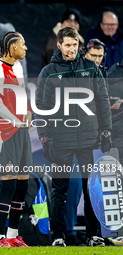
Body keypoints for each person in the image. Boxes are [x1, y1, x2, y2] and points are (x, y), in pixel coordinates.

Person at [36, 27, 112, 247]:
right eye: (67, 45)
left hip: (88, 141)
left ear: (79, 46)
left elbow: (103, 102)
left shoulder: (91, 68)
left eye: (75, 45)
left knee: (91, 189)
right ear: (59, 45)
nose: (71, 49)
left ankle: (93, 235)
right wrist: (44, 138)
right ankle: (58, 237)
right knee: (60, 190)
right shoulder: (48, 72)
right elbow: (41, 108)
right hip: (59, 142)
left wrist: (106, 131)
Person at [0, 31, 31, 248]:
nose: (25, 48)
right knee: (8, 184)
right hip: (5, 131)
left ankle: (12, 235)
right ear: (12, 47)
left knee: (23, 185)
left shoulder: (19, 67)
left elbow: (22, 94)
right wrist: (15, 120)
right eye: (22, 44)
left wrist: (28, 112)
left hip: (21, 131)